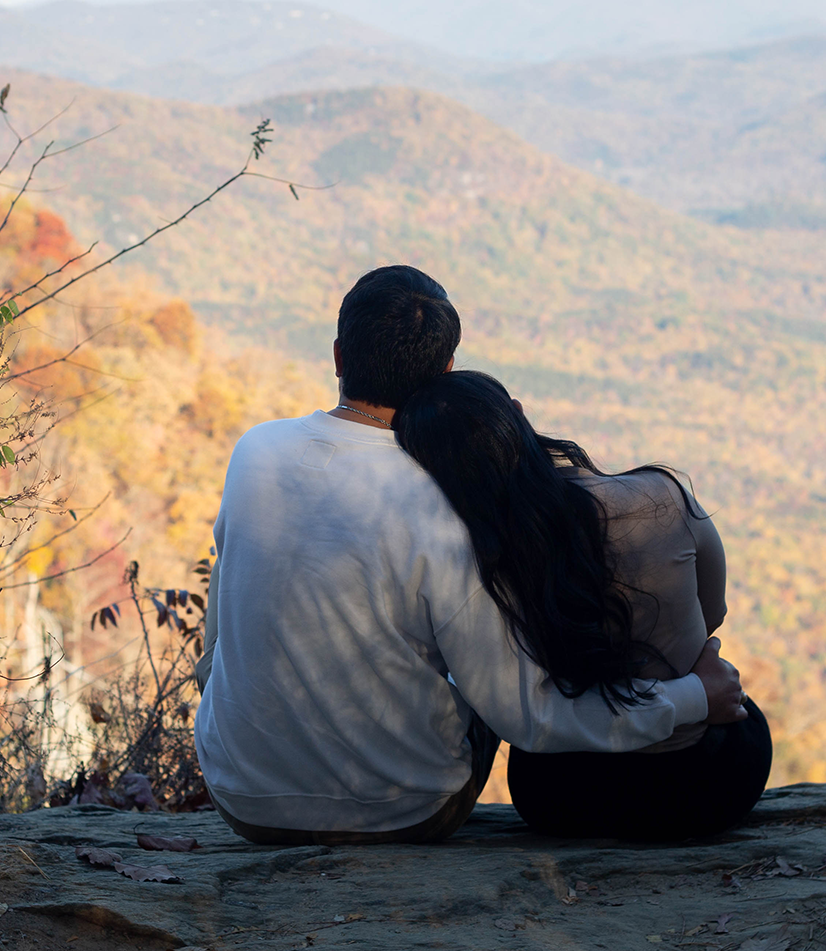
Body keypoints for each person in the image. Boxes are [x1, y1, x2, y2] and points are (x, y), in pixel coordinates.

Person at [193, 265, 750, 845]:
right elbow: (528, 715)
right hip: (401, 810)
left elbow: (217, 643)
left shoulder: (254, 450)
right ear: (447, 373)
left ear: (338, 356)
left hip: (240, 796)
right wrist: (692, 697)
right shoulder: (446, 499)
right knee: (490, 677)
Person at [393, 369, 772, 840]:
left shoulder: (479, 555)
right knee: (744, 714)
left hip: (565, 797)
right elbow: (711, 613)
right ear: (517, 413)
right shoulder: (662, 495)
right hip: (708, 786)